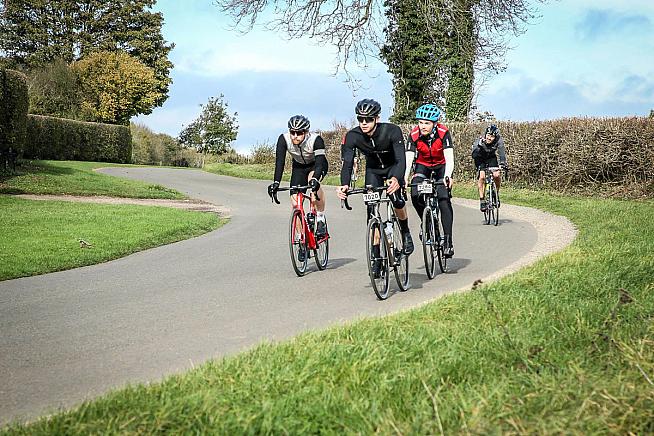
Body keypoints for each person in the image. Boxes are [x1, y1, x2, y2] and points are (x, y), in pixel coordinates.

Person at [336, 99, 414, 276]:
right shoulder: (353, 136)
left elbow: (401, 159)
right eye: (360, 119)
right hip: (373, 171)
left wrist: (397, 179)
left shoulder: (392, 130)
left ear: (377, 118)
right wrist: (344, 184)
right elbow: (347, 163)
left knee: (396, 198)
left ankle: (405, 232)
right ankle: (376, 254)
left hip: (393, 167)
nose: (364, 123)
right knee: (372, 210)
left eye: (368, 119)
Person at [268, 115, 329, 254]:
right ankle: (301, 238)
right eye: (292, 132)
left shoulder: (316, 140)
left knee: (313, 185)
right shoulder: (283, 139)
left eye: (299, 133)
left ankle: (320, 218)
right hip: (299, 167)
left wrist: (315, 180)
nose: (295, 136)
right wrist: (276, 182)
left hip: (316, 165)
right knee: (295, 202)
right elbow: (280, 162)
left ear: (306, 132)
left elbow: (320, 163)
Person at [404, 103, 455, 257]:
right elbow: (408, 159)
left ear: (434, 123)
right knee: (415, 193)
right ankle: (426, 222)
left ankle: (448, 241)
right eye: (420, 122)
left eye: (426, 123)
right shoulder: (414, 134)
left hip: (441, 167)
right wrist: (405, 177)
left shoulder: (443, 132)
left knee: (443, 199)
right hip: (423, 166)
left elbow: (449, 158)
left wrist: (447, 176)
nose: (423, 126)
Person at [472, 124, 508, 211]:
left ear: (495, 137)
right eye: (488, 135)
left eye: (492, 137)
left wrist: (503, 163)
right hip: (480, 158)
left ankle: (495, 194)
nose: (489, 138)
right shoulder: (480, 140)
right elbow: (474, 155)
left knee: (496, 175)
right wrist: (479, 147)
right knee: (482, 177)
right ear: (485, 134)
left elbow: (501, 152)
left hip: (491, 157)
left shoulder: (499, 140)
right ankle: (482, 200)